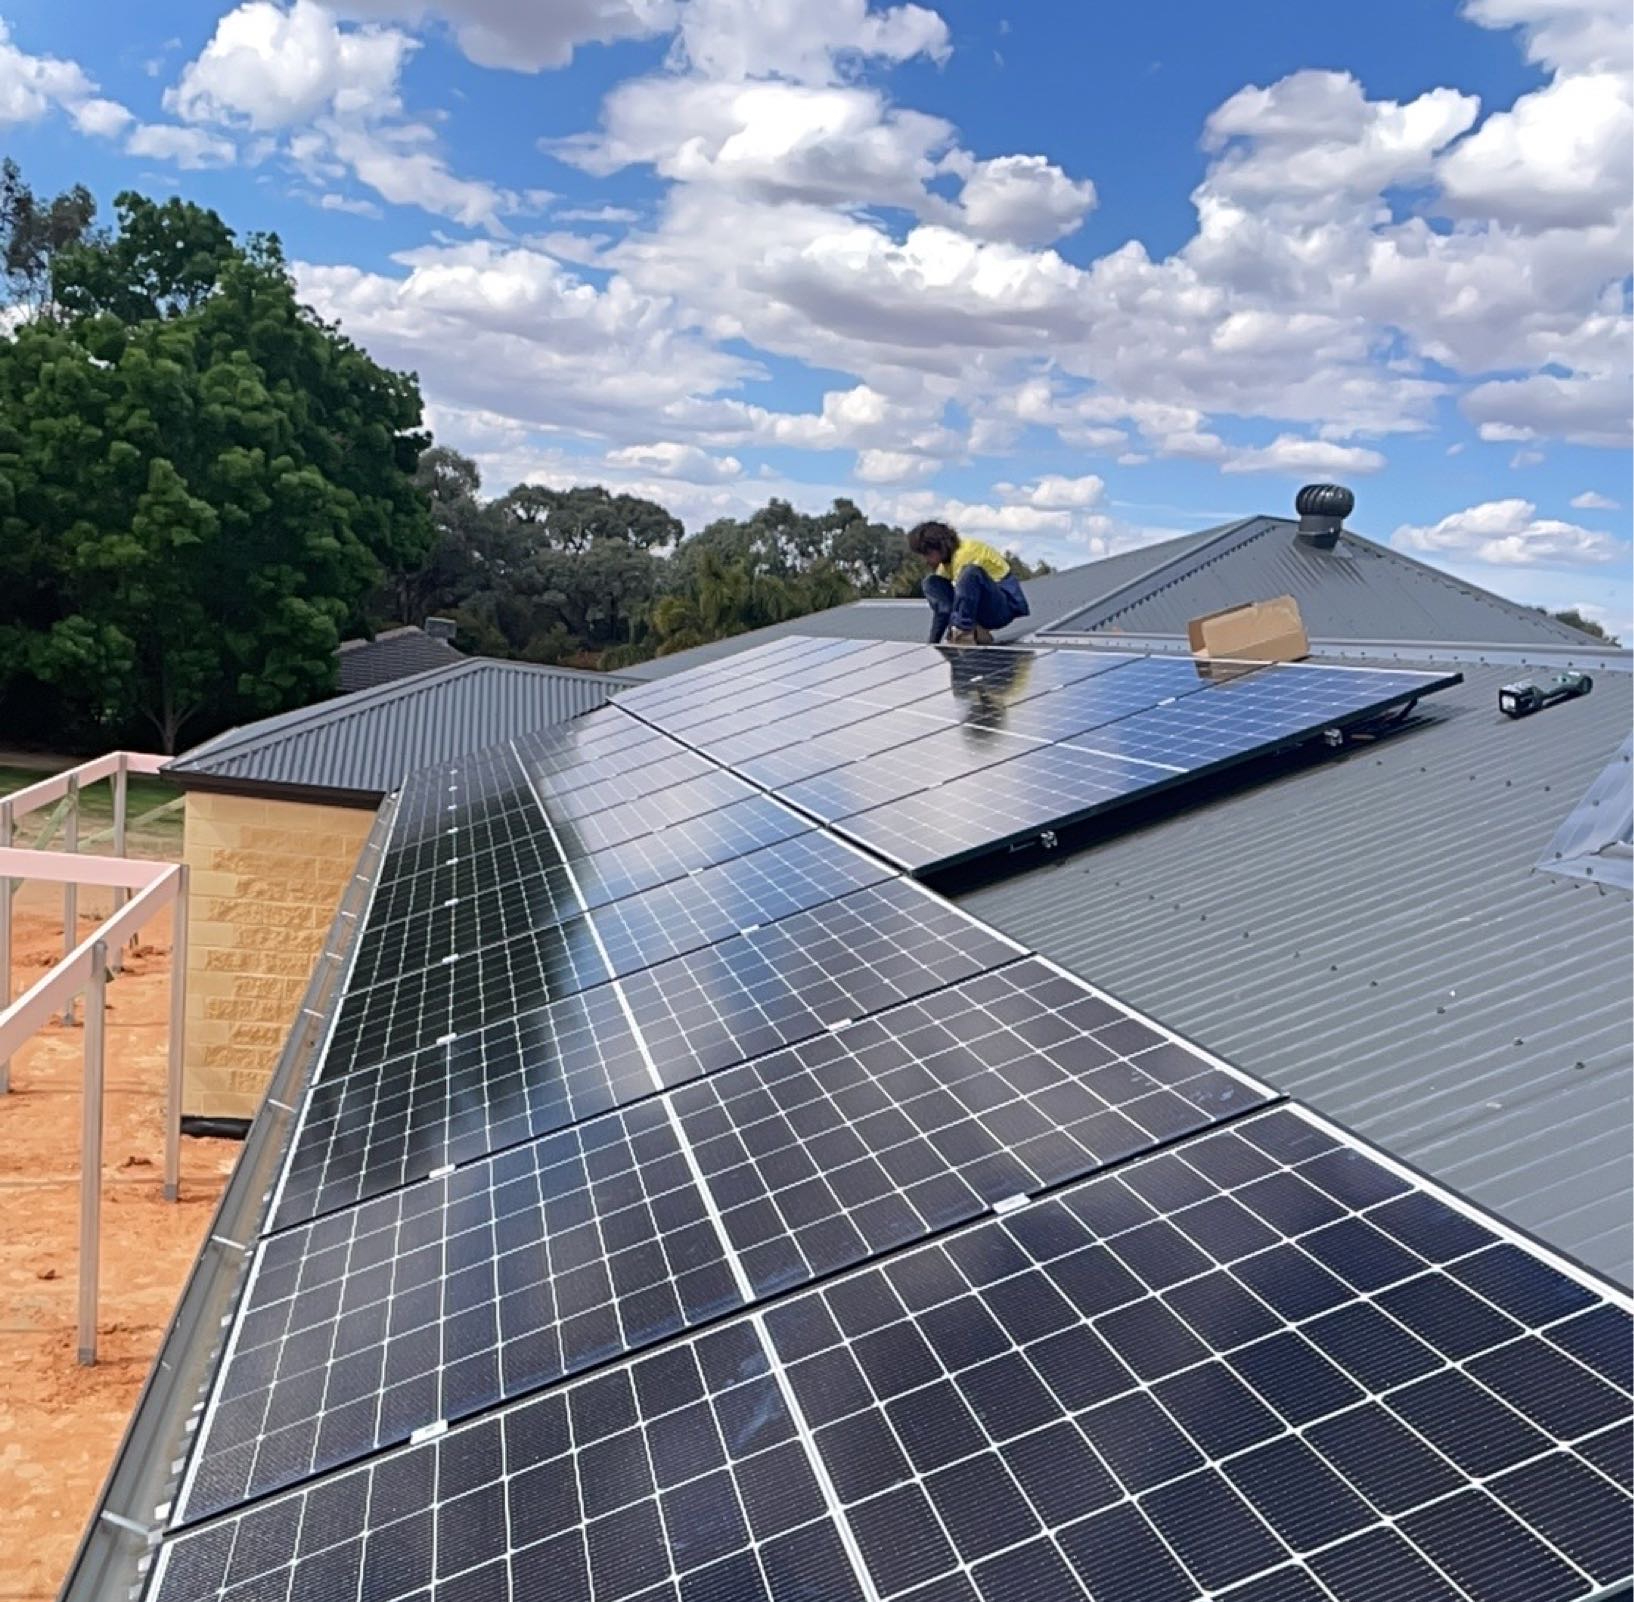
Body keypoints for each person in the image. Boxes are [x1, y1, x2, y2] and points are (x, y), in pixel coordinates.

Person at [907, 520, 1030, 645]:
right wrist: (932, 644)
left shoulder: (966, 553)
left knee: (970, 572)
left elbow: (963, 595)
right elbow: (943, 610)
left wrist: (957, 630)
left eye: (927, 554)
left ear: (941, 546)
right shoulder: (945, 567)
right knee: (931, 583)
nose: (925, 560)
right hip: (977, 610)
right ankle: (975, 631)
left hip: (1002, 608)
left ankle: (963, 633)